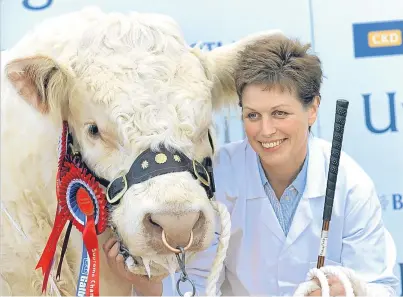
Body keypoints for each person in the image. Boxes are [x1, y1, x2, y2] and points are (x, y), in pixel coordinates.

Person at [103, 34, 400, 296]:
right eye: (252, 115)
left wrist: (348, 290)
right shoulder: (217, 177)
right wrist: (151, 288)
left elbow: (382, 287)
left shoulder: (350, 184)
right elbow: (196, 285)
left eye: (280, 113)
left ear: (313, 109)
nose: (265, 130)